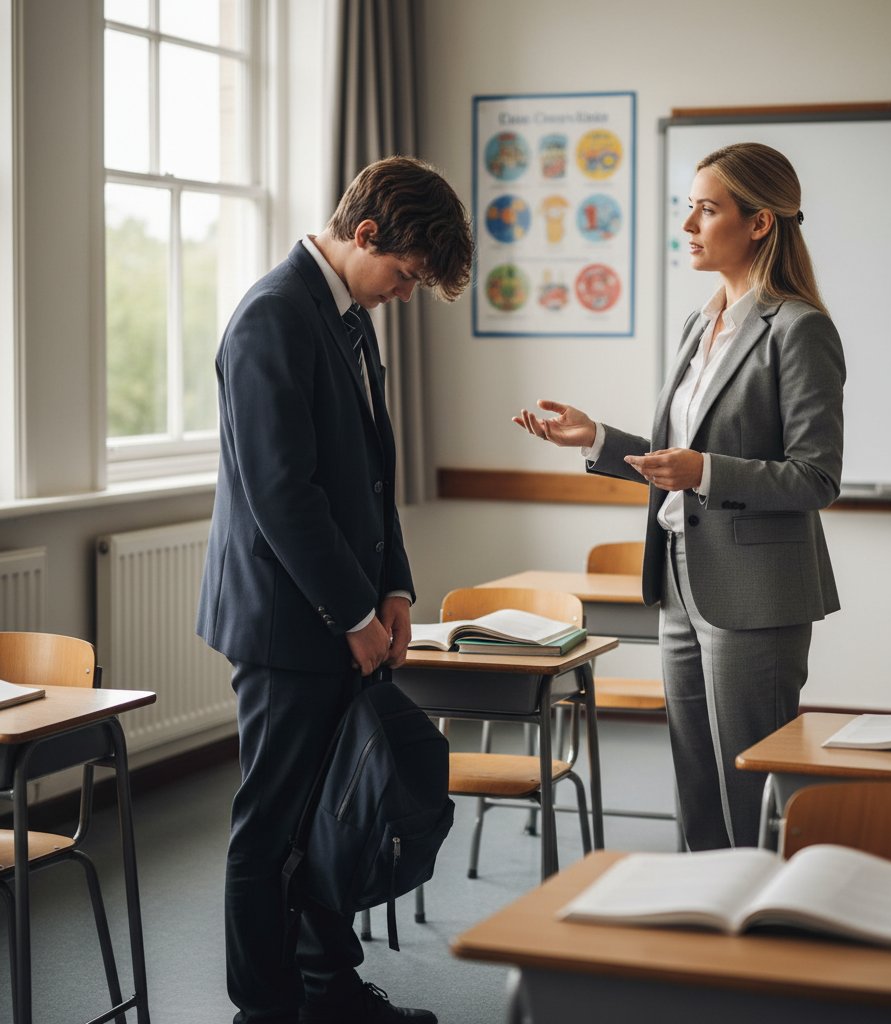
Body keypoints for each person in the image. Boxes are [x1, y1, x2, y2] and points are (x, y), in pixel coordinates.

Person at [197, 156, 473, 1024]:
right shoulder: (272, 317)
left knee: (328, 823)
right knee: (270, 826)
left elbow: (371, 481)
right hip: (287, 625)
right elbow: (285, 496)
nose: (402, 291)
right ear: (364, 235)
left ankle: (329, 990)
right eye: (403, 273)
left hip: (346, 611)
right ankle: (267, 1009)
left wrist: (393, 589)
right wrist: (353, 612)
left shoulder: (349, 317)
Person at [515, 143, 845, 851]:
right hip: (677, 574)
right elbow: (678, 462)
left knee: (747, 781)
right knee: (694, 775)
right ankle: (705, 919)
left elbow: (816, 477)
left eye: (707, 209)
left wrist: (706, 472)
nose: (689, 225)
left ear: (759, 224)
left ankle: (759, 925)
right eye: (688, 208)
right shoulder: (704, 324)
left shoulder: (797, 328)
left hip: (755, 589)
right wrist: (595, 437)